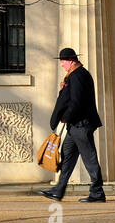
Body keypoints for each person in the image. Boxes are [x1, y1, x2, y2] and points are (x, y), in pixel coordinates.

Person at [40, 47, 106, 203]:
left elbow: (76, 102)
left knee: (89, 159)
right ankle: (58, 189)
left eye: (63, 61)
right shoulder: (76, 74)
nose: (61, 64)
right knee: (67, 155)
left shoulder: (77, 76)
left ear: (70, 61)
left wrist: (65, 117)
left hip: (80, 125)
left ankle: (97, 193)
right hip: (75, 125)